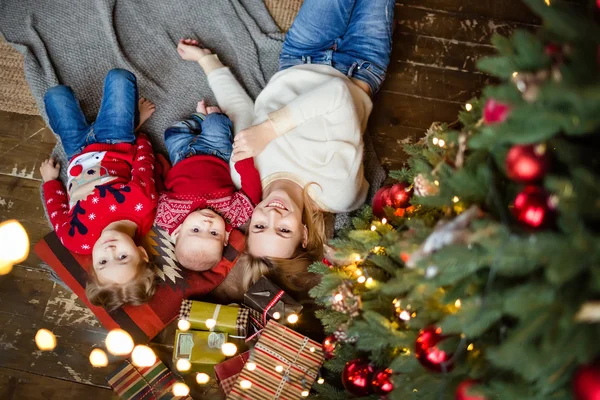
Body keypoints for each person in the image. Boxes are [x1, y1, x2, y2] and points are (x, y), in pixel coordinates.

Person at [176, 0, 394, 290]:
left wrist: (207, 61)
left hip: (300, 56)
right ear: (303, 234)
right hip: (361, 66)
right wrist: (269, 131)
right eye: (283, 230)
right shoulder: (337, 193)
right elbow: (338, 95)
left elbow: (241, 111)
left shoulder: (244, 174)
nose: (272, 215)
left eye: (259, 226)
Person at [40, 69, 158, 311]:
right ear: (142, 254)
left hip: (75, 152)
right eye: (123, 258)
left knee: (55, 96)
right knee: (119, 77)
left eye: (103, 262)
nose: (110, 250)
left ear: (93, 264)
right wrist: (139, 137)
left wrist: (51, 182)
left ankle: (126, 120)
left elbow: (57, 212)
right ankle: (132, 123)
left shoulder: (76, 240)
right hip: (115, 140)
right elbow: (144, 167)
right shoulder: (143, 206)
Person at [154, 99, 262, 272]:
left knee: (172, 132)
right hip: (216, 151)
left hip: (181, 156)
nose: (207, 223)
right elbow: (252, 194)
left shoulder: (167, 216)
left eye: (196, 229)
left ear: (178, 232)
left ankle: (198, 118)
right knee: (216, 122)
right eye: (214, 234)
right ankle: (207, 119)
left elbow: (157, 191)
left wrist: (159, 166)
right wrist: (245, 163)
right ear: (225, 238)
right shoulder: (233, 216)